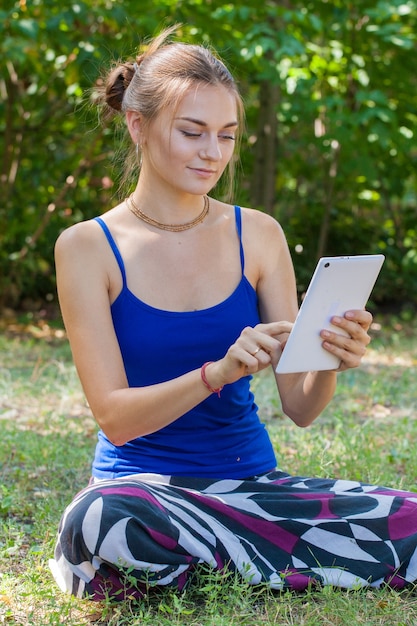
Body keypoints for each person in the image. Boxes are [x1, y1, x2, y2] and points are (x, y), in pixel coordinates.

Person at [49, 26, 417, 601]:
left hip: (253, 491)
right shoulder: (86, 247)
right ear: (137, 125)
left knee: (411, 516)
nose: (213, 153)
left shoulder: (259, 235)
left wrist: (330, 362)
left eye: (227, 135)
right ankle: (278, 564)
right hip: (145, 493)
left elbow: (300, 406)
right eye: (193, 132)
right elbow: (116, 419)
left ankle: (231, 567)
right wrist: (214, 374)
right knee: (98, 522)